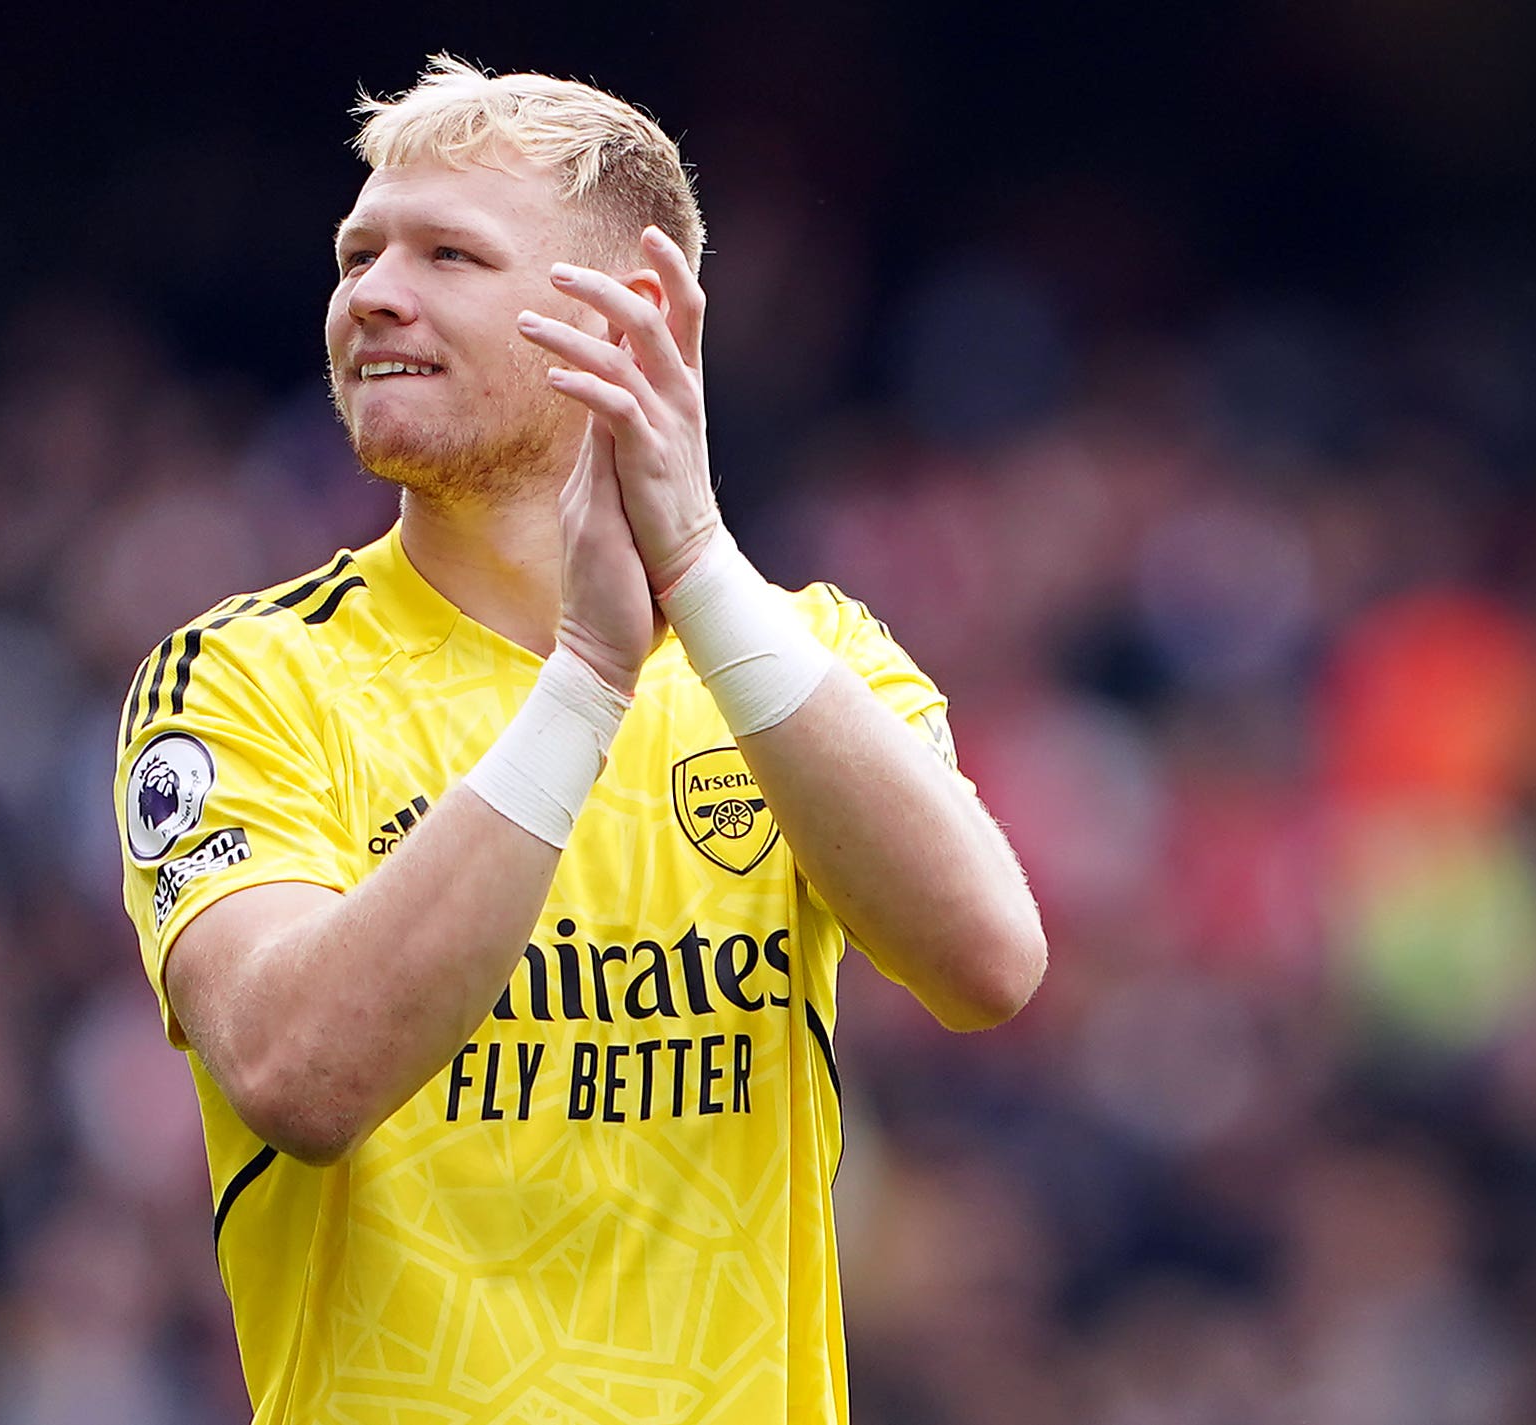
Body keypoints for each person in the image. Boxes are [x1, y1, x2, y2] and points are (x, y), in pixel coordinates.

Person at [115, 55, 1046, 1423]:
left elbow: (988, 963)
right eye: (357, 251)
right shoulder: (250, 679)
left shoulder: (811, 658)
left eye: (449, 255)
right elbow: (298, 1073)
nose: (372, 292)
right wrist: (588, 680)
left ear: (638, 310)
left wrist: (701, 574)